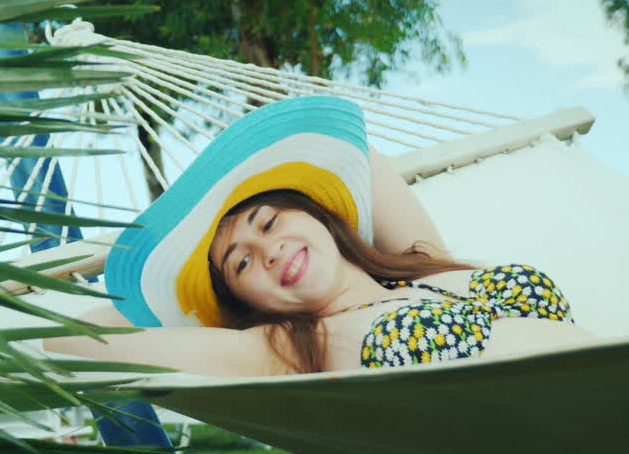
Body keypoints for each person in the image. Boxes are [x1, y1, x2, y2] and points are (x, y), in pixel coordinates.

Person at [44, 96, 595, 376]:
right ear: (246, 302)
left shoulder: (424, 261)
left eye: (270, 222)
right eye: (241, 264)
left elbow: (356, 150)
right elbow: (67, 338)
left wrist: (237, 170)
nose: (268, 250)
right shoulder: (291, 348)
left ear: (319, 216)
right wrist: (165, 286)